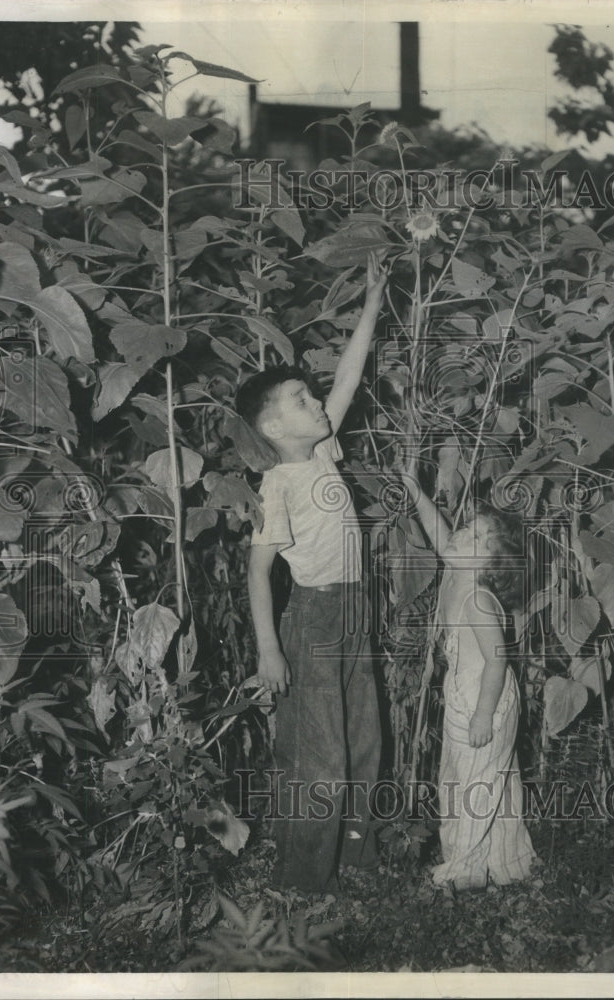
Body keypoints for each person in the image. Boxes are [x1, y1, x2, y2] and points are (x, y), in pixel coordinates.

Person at [235, 252, 387, 895]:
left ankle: (356, 865)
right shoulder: (277, 484)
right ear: (273, 427)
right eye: (302, 399)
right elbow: (258, 570)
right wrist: (269, 650)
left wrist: (373, 304)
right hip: (315, 618)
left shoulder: (322, 450)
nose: (318, 401)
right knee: (319, 758)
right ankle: (300, 882)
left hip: (355, 608)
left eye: (312, 394)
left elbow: (347, 382)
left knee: (364, 741)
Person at [400, 457, 537, 890]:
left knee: (478, 784)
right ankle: (503, 862)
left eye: (476, 537)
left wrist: (482, 714)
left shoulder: (479, 599)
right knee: (465, 778)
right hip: (466, 695)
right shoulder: (459, 570)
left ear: (494, 564)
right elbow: (442, 535)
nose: (461, 534)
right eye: (466, 527)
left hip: (488, 701)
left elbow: (498, 661)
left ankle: (463, 869)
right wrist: (418, 492)